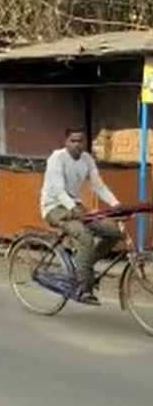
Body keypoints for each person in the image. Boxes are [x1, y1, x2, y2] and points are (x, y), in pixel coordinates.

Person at [41, 127, 123, 305]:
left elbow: (98, 186)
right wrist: (74, 209)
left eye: (80, 141)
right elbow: (58, 190)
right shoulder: (57, 158)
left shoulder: (87, 159)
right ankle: (84, 288)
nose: (77, 145)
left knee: (113, 232)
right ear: (66, 142)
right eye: (73, 141)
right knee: (85, 237)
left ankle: (84, 265)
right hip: (54, 207)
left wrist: (115, 204)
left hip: (75, 206)